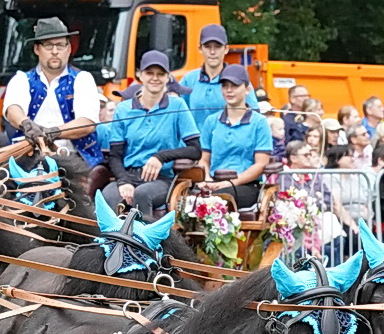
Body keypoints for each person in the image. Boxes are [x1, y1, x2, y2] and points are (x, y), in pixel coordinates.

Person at [101, 50, 202, 218]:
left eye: (160, 74)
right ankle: (108, 243)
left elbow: (195, 150)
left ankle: (146, 243)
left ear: (168, 77)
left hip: (161, 179)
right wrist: (124, 181)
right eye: (149, 73)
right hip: (129, 174)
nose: (155, 78)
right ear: (140, 75)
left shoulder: (177, 106)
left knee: (142, 194)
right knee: (108, 196)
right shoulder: (124, 109)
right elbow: (115, 155)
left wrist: (160, 157)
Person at [2, 15, 102, 163]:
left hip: (75, 158)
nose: (55, 51)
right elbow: (13, 110)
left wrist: (54, 132)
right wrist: (27, 125)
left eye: (60, 45)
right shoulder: (21, 79)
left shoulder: (83, 79)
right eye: (48, 45)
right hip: (29, 155)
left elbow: (87, 123)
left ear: (69, 49)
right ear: (37, 49)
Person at [194, 64, 272, 210]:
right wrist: (207, 179)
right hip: (214, 182)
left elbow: (260, 164)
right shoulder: (211, 121)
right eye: (225, 86)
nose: (229, 90)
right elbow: (204, 160)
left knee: (217, 199)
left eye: (235, 86)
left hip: (245, 185)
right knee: (188, 200)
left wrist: (230, 183)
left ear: (247, 89)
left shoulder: (259, 122)